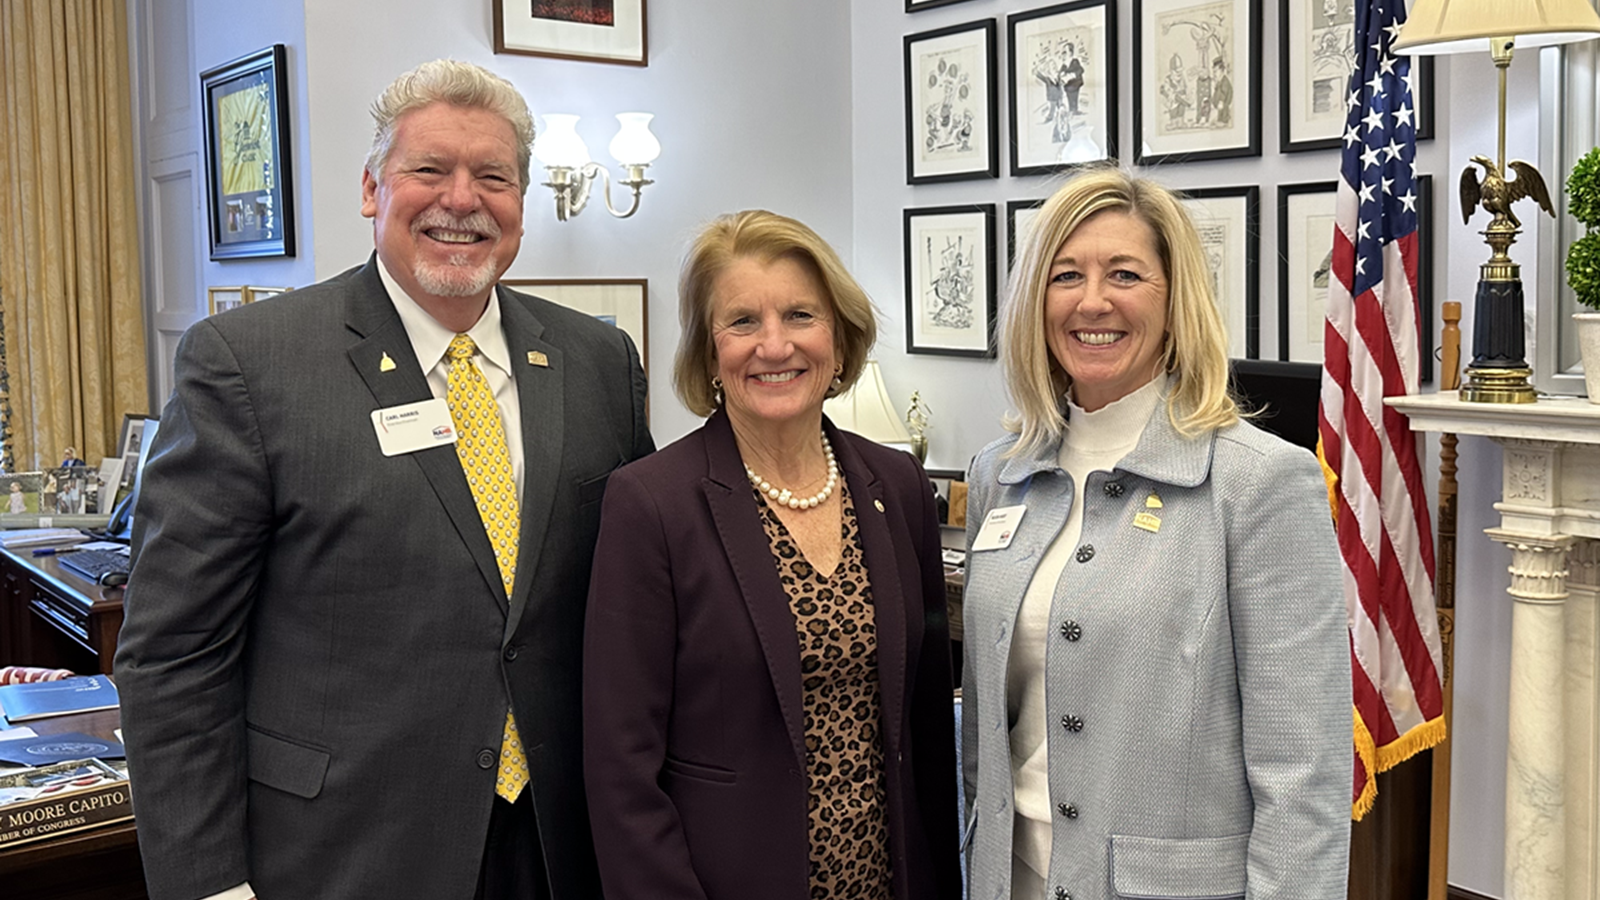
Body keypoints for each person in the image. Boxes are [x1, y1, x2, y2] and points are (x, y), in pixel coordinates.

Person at [114, 59, 653, 900]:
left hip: (559, 846)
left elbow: (639, 601)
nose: (462, 199)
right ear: (373, 189)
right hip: (346, 851)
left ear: (522, 204)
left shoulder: (598, 362)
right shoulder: (253, 365)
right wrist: (209, 887)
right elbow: (176, 655)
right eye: (429, 170)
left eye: (493, 177)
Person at [960, 169, 1349, 900]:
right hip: (1008, 880)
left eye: (1126, 274)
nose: (1092, 301)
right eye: (1065, 275)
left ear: (1174, 303)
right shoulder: (998, 476)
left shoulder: (1261, 484)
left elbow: (1304, 774)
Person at [583, 210, 961, 900]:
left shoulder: (896, 484)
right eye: (742, 322)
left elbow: (929, 727)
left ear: (840, 342)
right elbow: (619, 766)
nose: (775, 345)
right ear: (708, 354)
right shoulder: (651, 503)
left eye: (800, 315)